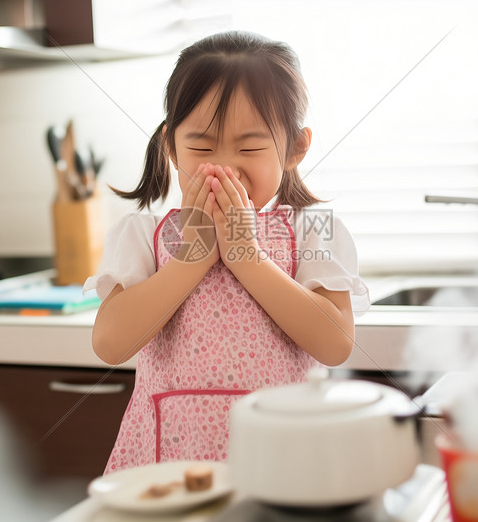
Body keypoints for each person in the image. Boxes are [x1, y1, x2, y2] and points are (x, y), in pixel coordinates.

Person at [84, 30, 370, 474]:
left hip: (284, 465)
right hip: (169, 466)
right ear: (170, 148)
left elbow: (335, 343)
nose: (224, 167)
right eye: (201, 147)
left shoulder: (313, 232)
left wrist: (246, 255)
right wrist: (193, 256)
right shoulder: (144, 234)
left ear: (295, 148)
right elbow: (109, 343)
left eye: (250, 147)